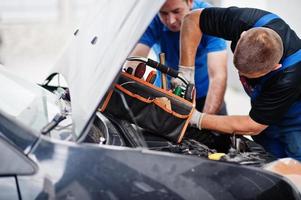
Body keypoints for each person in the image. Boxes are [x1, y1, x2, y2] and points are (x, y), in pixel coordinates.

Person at [180, 7, 301, 161]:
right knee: (265, 161)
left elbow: (253, 125)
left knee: (293, 169)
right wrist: (186, 73)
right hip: (264, 112)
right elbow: (192, 19)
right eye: (239, 70)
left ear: (275, 67)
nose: (241, 76)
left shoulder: (289, 77)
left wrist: (196, 119)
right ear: (242, 35)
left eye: (248, 75)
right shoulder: (243, 21)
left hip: (295, 122)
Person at [127, 0, 228, 115]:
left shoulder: (210, 17)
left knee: (217, 129)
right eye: (164, 13)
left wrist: (205, 119)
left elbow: (218, 75)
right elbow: (135, 59)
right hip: (167, 92)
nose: (171, 21)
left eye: (176, 11)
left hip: (207, 94)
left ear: (190, 2)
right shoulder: (153, 18)